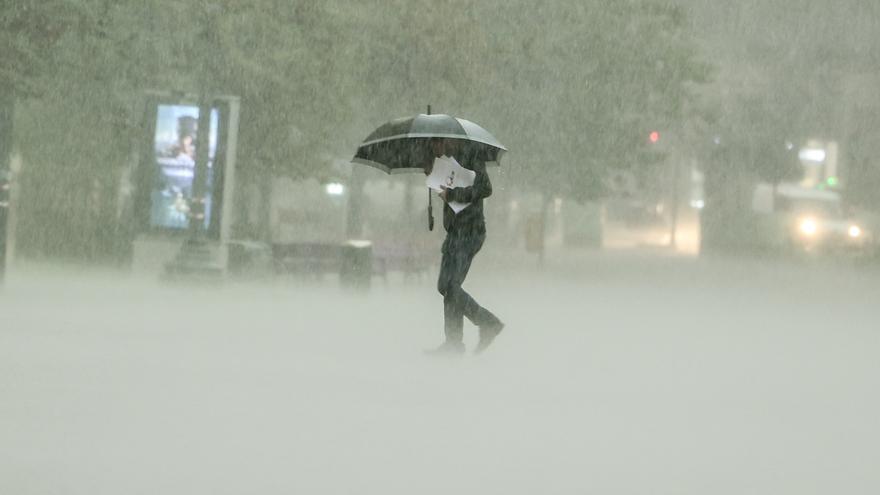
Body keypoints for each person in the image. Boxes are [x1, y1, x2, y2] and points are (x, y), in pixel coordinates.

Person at [423, 138, 504, 356]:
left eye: (437, 144)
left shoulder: (471, 156)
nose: (436, 149)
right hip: (456, 232)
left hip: (470, 232)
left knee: (450, 286)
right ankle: (457, 341)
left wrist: (452, 194)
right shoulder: (445, 161)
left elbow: (485, 188)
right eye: (433, 147)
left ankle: (483, 325)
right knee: (446, 286)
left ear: (448, 140)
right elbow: (448, 194)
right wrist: (433, 176)